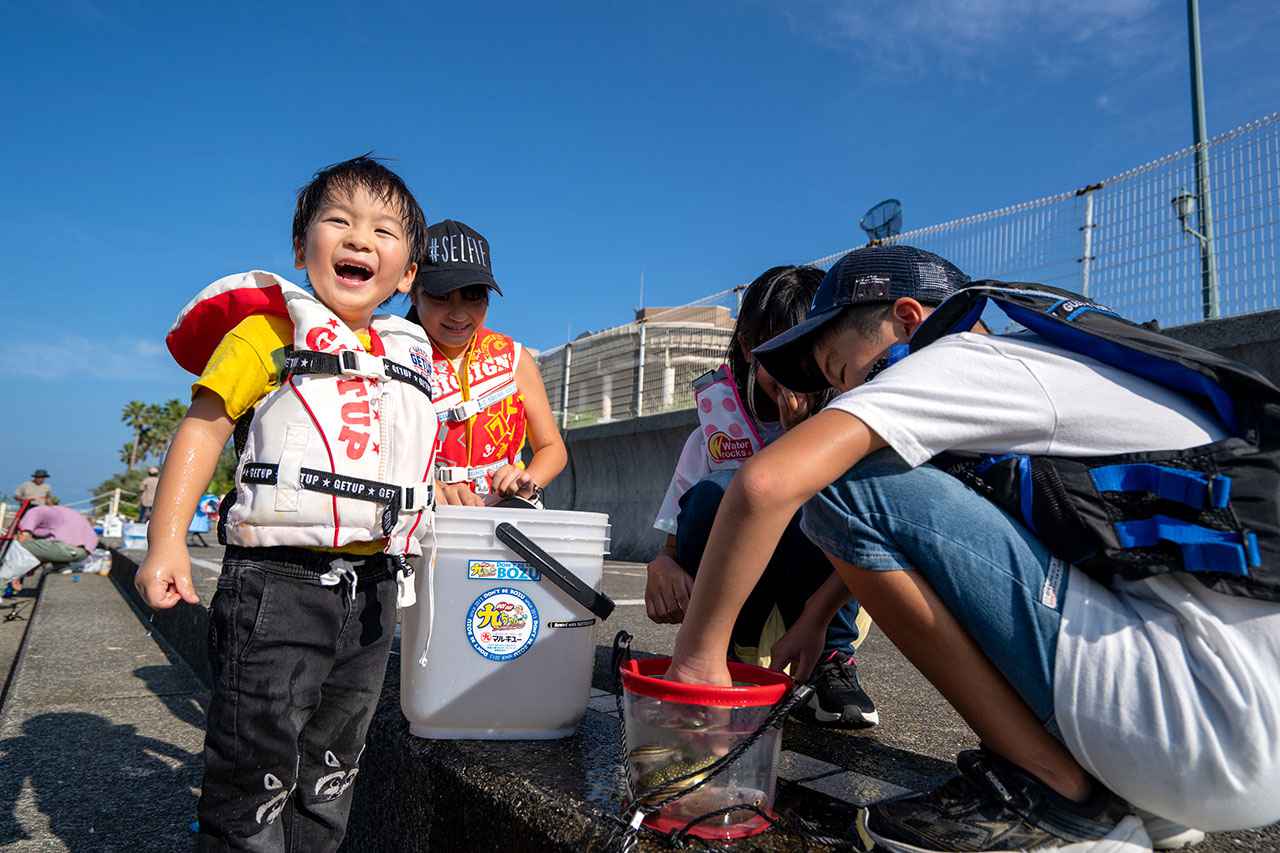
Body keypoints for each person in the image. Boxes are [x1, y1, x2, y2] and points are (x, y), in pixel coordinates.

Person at [666, 245, 1280, 852]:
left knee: (842, 484)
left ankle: (1052, 792)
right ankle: (1128, 794)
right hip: (1230, 729)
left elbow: (768, 481)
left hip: (1193, 724)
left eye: (841, 369)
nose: (843, 391)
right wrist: (816, 617)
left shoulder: (957, 357)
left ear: (909, 318)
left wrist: (697, 663)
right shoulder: (1057, 367)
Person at [135, 155, 438, 852]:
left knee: (333, 766)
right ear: (302, 248)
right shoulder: (268, 332)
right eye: (339, 222)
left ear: (409, 272)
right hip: (276, 586)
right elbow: (204, 427)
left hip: (372, 595)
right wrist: (166, 540)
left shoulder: (407, 355)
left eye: (385, 230)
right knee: (254, 767)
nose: (360, 239)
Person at [647, 264, 896, 728]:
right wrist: (663, 564)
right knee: (718, 491)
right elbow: (674, 537)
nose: (795, 368)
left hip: (824, 602)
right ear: (748, 348)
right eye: (778, 351)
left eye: (809, 349)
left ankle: (831, 662)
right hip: (747, 609)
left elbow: (875, 523)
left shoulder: (854, 418)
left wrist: (802, 440)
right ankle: (720, 653)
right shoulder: (715, 432)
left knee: (827, 493)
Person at [407, 219, 566, 507]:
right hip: (424, 522)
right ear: (412, 290)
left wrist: (526, 481)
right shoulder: (392, 355)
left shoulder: (514, 358)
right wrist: (429, 488)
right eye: (441, 296)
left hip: (504, 521)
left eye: (473, 296)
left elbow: (552, 448)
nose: (458, 314)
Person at [16, 504, 98, 567]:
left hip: (68, 549)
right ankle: (62, 566)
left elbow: (24, 538)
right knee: (43, 545)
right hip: (82, 553)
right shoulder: (57, 512)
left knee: (16, 545)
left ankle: (8, 578)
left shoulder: (34, 511)